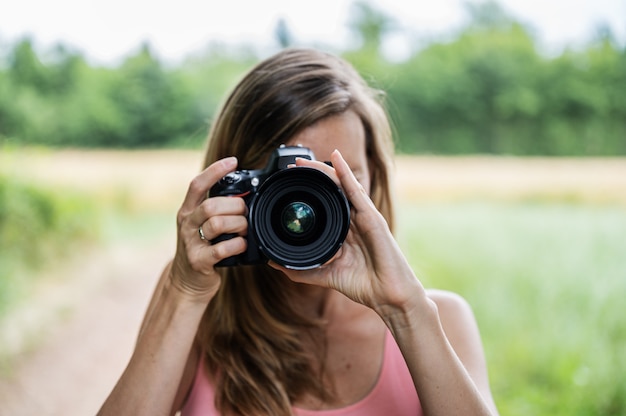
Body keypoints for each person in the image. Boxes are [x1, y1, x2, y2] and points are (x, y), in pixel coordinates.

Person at [98, 48, 499, 416]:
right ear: (237, 188)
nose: (311, 204)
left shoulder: (436, 319)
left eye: (337, 176)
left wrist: (406, 312)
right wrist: (184, 294)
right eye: (289, 185)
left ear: (373, 180)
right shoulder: (197, 311)